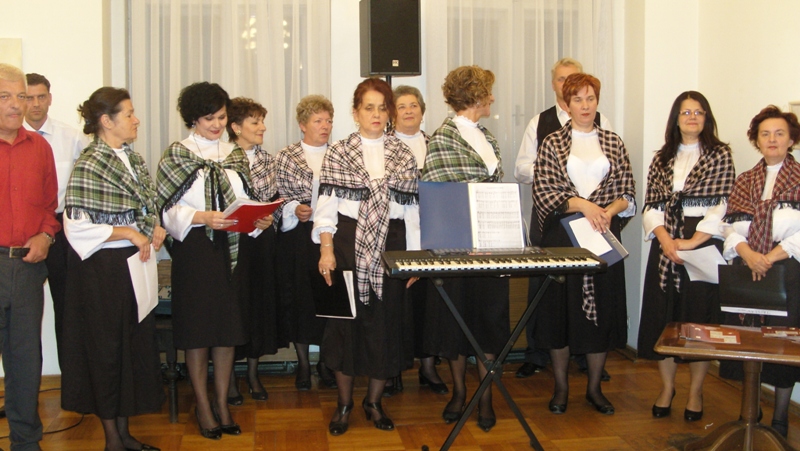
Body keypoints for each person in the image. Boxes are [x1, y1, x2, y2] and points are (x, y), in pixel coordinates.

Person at [157, 82, 271, 440]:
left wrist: (259, 218)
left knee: (227, 329)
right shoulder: (178, 154)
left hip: (233, 249)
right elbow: (164, 209)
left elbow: (244, 200)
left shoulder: (234, 154)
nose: (217, 125)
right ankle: (203, 405)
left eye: (221, 117)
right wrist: (201, 217)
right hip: (195, 251)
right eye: (210, 118)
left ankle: (222, 403)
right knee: (199, 331)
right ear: (193, 118)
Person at [313, 78, 419, 436]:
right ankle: (344, 404)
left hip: (392, 246)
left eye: (382, 107)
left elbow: (412, 212)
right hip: (346, 245)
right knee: (345, 328)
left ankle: (373, 402)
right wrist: (326, 249)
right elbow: (325, 208)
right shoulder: (339, 153)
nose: (376, 114)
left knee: (386, 327)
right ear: (356, 112)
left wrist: (415, 259)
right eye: (368, 107)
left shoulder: (404, 154)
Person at [62, 87, 164, 451]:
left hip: (133, 267)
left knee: (129, 350)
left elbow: (145, 207)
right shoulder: (90, 164)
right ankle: (112, 440)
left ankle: (124, 434)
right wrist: (128, 233)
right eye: (129, 114)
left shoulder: (132, 159)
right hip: (103, 272)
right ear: (106, 121)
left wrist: (154, 226)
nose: (137, 120)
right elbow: (76, 227)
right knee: (107, 351)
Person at [532, 73, 635, 416]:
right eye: (578, 99)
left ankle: (594, 388)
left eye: (590, 98)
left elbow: (628, 191)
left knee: (600, 313)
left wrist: (607, 211)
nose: (585, 105)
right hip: (563, 236)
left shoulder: (613, 141)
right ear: (567, 104)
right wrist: (584, 205)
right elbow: (545, 191)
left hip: (603, 234)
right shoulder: (552, 143)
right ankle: (561, 387)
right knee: (560, 314)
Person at [637, 91, 734, 422]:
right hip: (666, 243)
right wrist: (666, 240)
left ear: (707, 118)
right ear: (675, 119)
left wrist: (692, 242)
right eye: (685, 112)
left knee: (698, 322)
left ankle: (695, 392)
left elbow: (722, 205)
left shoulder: (720, 155)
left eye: (699, 112)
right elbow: (652, 205)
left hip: (703, 242)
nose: (692, 117)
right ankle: (667, 388)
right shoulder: (662, 158)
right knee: (664, 320)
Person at [422, 65, 508, 432]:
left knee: (488, 322)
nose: (492, 98)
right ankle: (459, 392)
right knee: (456, 324)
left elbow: (493, 185)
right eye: (488, 92)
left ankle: (484, 396)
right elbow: (437, 193)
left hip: (491, 245)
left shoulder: (487, 137)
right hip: (455, 247)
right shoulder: (444, 137)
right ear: (475, 96)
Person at [513, 58, 612, 379]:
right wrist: (553, 175)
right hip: (552, 218)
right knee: (548, 293)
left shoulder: (603, 124)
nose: (568, 85)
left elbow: (613, 171)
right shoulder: (539, 123)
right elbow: (521, 170)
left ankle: (585, 356)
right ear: (555, 85)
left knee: (590, 288)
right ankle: (537, 353)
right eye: (561, 80)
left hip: (593, 222)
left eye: (574, 79)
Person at [719, 106, 800, 438]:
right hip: (747, 268)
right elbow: (729, 227)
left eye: (779, 133)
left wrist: (769, 257)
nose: (772, 139)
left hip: (788, 272)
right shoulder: (745, 180)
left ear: (791, 139)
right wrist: (749, 254)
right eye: (765, 134)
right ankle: (749, 410)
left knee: (782, 343)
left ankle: (780, 416)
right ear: (756, 139)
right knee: (746, 339)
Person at [0, 62, 60, 451]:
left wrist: (45, 235)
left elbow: (49, 206)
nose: (15, 104)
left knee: (25, 358)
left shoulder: (40, 148)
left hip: (26, 267)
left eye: (20, 96)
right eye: (5, 96)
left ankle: (25, 441)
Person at [382, 85, 447, 397]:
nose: (408, 111)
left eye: (414, 106)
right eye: (402, 106)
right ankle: (392, 368)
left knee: (430, 303)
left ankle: (428, 366)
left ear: (422, 111)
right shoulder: (383, 146)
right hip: (395, 233)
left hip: (433, 233)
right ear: (392, 113)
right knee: (396, 303)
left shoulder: (436, 144)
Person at [24, 73, 89, 367]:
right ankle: (27, 384)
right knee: (24, 313)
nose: (36, 104)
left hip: (62, 228)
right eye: (29, 98)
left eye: (41, 97)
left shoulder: (71, 137)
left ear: (50, 98)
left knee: (67, 307)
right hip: (25, 230)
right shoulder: (9, 138)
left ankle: (70, 380)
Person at [274, 95, 337, 391]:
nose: (325, 126)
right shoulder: (286, 156)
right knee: (300, 299)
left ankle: (326, 361)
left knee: (329, 297)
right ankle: (302, 363)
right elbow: (276, 197)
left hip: (331, 236)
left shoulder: (339, 155)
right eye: (318, 120)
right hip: (298, 238)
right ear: (302, 124)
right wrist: (293, 208)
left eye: (328, 120)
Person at [223, 97, 280, 404]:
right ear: (235, 127)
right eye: (255, 122)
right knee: (235, 307)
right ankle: (229, 378)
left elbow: (274, 200)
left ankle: (253, 373)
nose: (262, 127)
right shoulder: (222, 158)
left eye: (262, 121)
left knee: (259, 305)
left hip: (262, 243)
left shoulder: (269, 160)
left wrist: (271, 216)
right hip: (234, 243)